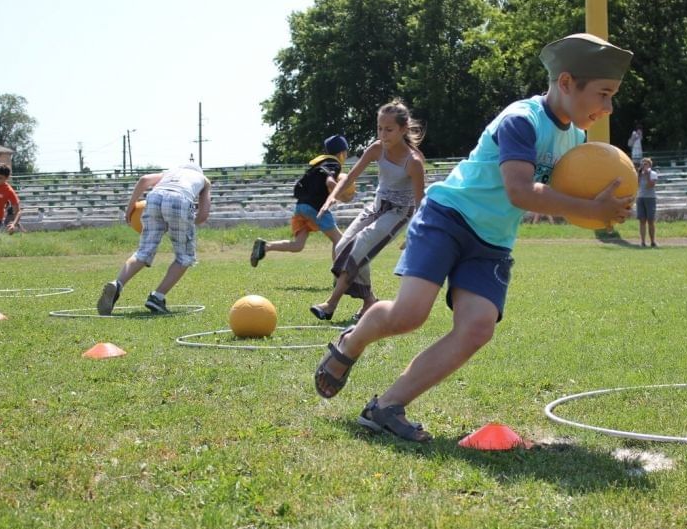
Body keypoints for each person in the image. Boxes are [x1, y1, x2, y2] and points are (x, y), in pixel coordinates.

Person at [311, 33, 633, 442]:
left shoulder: (578, 140)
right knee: (410, 315)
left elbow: (565, 196)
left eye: (612, 96)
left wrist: (606, 203)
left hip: (493, 241)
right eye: (604, 94)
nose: (608, 107)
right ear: (567, 83)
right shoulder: (522, 120)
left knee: (477, 327)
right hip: (449, 218)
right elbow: (519, 190)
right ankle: (350, 342)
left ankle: (386, 407)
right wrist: (591, 209)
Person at [308, 101, 426, 322]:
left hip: (398, 213)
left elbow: (421, 204)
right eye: (379, 128)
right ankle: (370, 301)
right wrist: (329, 200)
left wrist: (413, 234)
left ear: (403, 129)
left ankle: (330, 304)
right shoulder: (375, 148)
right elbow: (350, 177)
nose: (383, 134)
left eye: (389, 129)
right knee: (342, 245)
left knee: (359, 245)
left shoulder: (414, 162)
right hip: (376, 206)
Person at [96, 163, 211, 315]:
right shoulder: (203, 180)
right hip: (180, 198)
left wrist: (129, 209)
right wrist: (185, 222)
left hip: (154, 197)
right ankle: (157, 297)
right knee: (185, 257)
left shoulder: (171, 171)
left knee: (143, 252)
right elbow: (202, 216)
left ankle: (117, 284)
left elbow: (144, 180)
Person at [250, 135, 349, 267]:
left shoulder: (318, 164)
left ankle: (265, 246)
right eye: (346, 152)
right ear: (342, 153)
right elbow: (330, 181)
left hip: (301, 206)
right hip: (315, 208)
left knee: (298, 245)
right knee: (339, 240)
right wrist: (338, 195)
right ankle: (338, 277)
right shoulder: (334, 163)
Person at [636, 157, 658, 247]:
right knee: (642, 220)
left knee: (650, 220)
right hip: (640, 197)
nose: (643, 165)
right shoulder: (640, 174)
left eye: (645, 164)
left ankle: (652, 241)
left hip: (650, 198)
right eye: (642, 164)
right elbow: (636, 185)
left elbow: (650, 185)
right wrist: (639, 175)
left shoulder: (653, 173)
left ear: (649, 165)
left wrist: (648, 175)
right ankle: (643, 242)